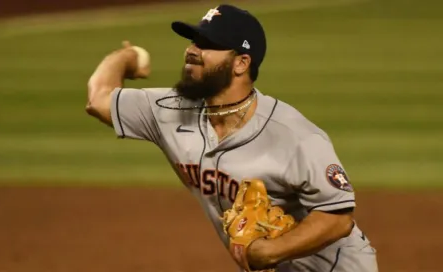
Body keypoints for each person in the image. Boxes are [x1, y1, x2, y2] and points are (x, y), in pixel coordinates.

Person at [85, 4, 379, 272]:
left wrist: (271, 251)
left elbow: (338, 217)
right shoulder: (170, 110)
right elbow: (98, 99)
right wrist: (126, 57)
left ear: (241, 63)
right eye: (193, 41)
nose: (192, 50)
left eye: (208, 45)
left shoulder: (294, 135)